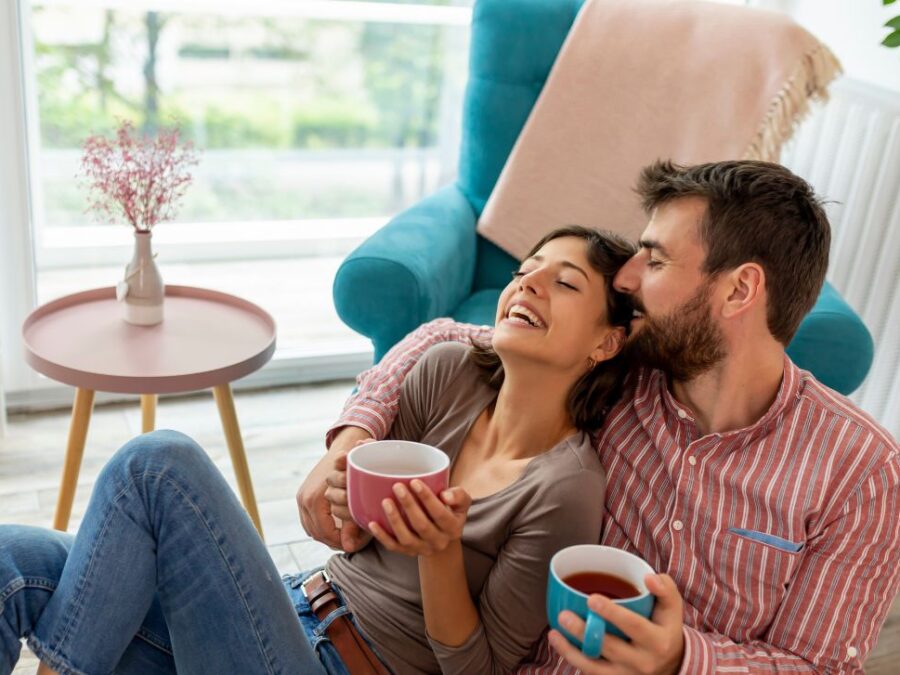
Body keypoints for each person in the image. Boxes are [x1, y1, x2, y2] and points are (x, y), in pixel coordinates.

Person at [299, 160, 900, 674]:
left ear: (739, 291)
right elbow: (456, 337)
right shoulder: (629, 371)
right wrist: (351, 436)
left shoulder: (860, 472)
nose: (629, 278)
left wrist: (678, 659)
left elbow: (820, 666)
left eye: (657, 262)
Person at [0, 226, 636, 675]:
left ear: (606, 343)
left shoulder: (565, 487)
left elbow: (482, 669)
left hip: (342, 664)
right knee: (11, 562)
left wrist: (440, 554)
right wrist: (347, 506)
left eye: (564, 283)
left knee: (158, 465)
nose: (528, 285)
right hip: (286, 608)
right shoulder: (450, 374)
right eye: (525, 271)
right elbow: (356, 533)